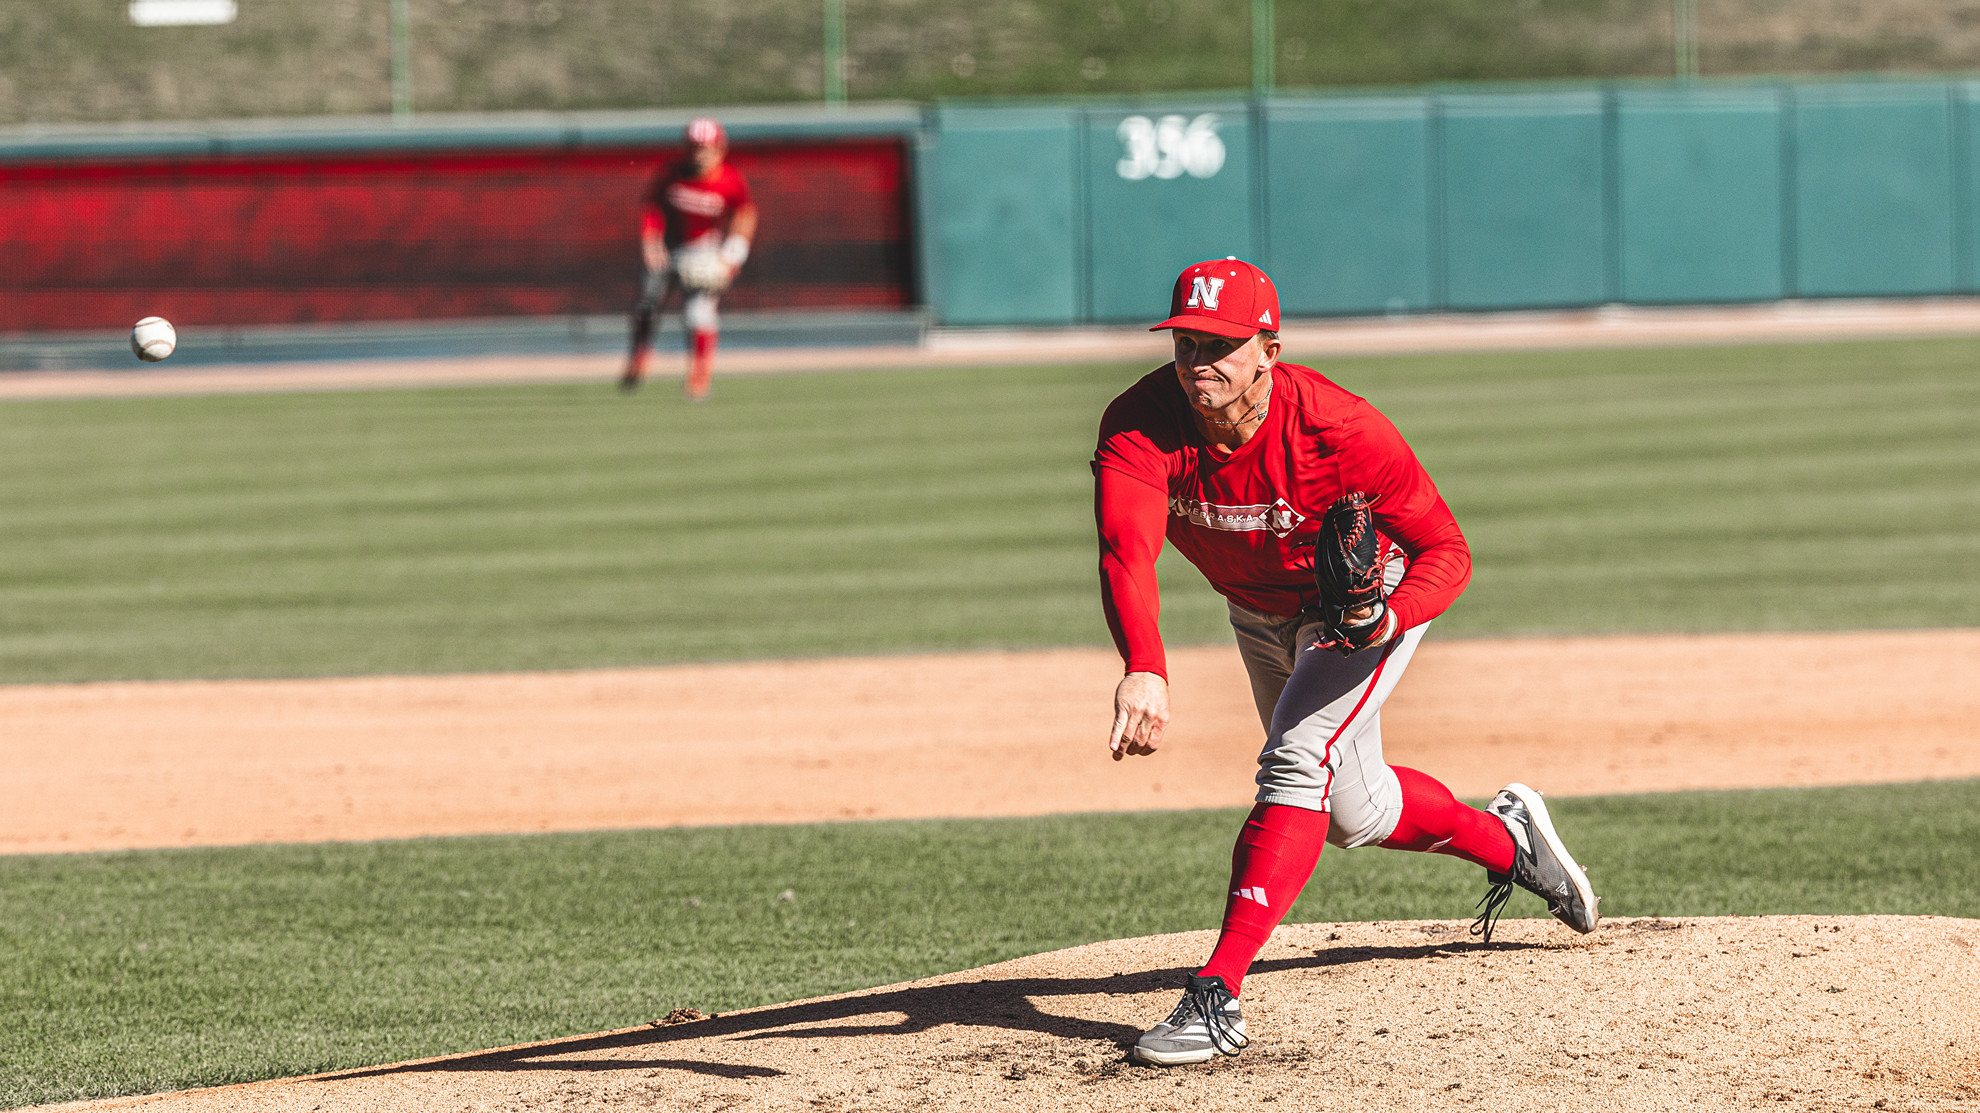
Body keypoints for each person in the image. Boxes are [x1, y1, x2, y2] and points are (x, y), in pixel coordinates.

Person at [1092, 257, 1600, 1067]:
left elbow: (1448, 549)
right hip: (1256, 609)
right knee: (1354, 813)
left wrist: (1385, 617)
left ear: (1270, 347)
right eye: (1188, 340)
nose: (1200, 362)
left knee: (1295, 757)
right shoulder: (1139, 422)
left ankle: (1217, 994)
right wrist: (1144, 663)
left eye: (1222, 344)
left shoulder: (1340, 429)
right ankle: (1512, 841)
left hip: (1358, 610)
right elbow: (1127, 550)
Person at [620, 117, 759, 400]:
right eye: (695, 147)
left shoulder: (729, 179)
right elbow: (652, 206)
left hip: (703, 249)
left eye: (707, 148)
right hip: (667, 246)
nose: (701, 153)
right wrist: (650, 240)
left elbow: (745, 214)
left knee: (699, 313)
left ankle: (699, 373)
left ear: (720, 149)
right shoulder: (672, 173)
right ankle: (640, 357)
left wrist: (733, 255)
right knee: (647, 305)